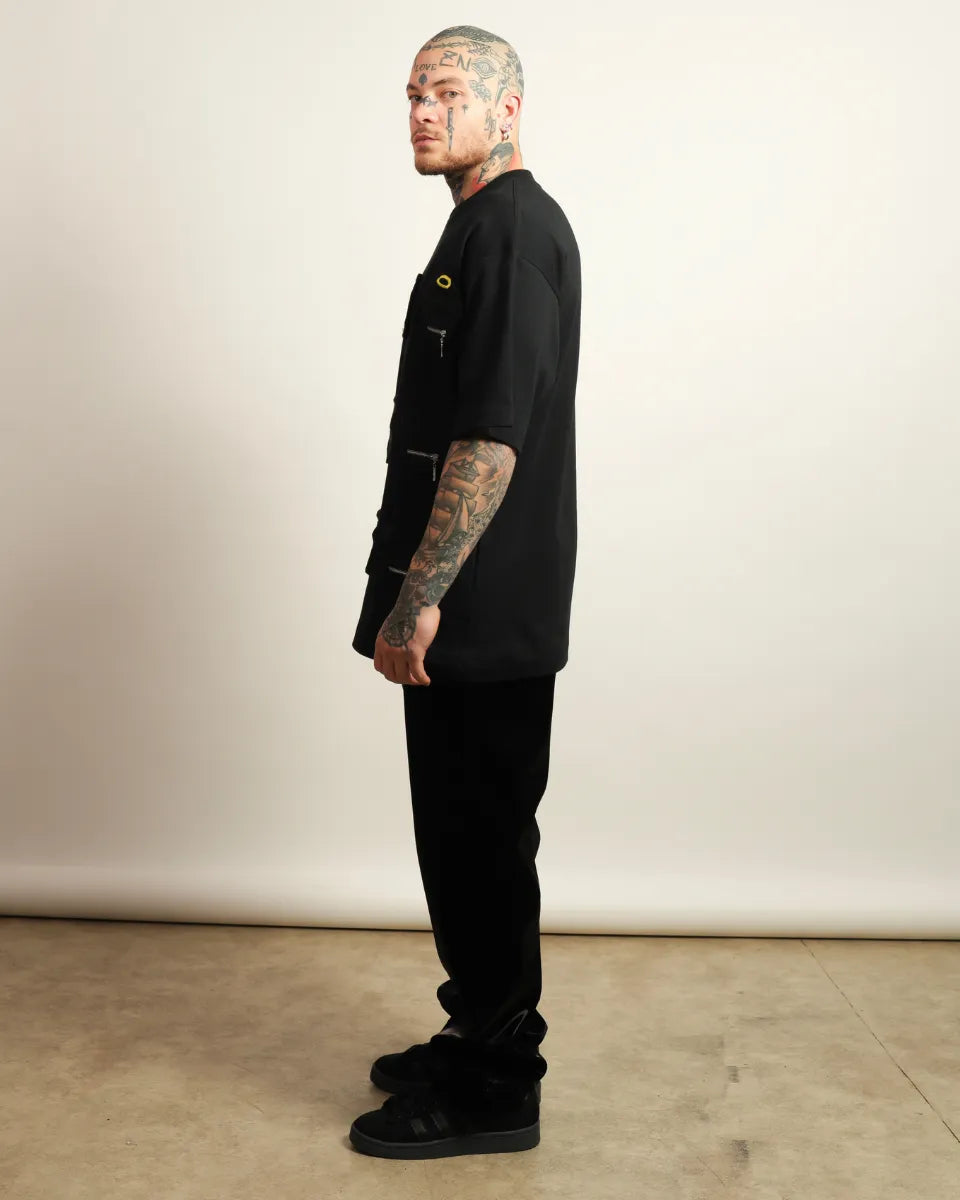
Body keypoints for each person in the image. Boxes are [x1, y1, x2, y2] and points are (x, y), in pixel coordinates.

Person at [349, 24, 581, 1159]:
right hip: (459, 606)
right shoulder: (478, 227)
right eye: (412, 94)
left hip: (481, 613)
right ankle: (475, 1029)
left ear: (509, 107)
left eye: (447, 92)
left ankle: (499, 1087)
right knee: (457, 837)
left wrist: (422, 596)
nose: (423, 112)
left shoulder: (514, 231)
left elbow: (489, 442)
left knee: (483, 844)